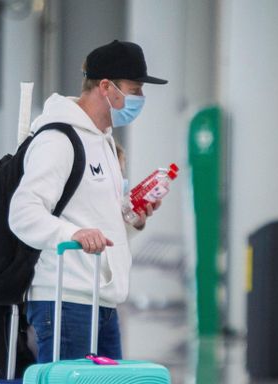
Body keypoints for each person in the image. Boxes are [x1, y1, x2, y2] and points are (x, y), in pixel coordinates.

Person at [9, 40, 167, 363]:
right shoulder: (59, 139)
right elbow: (22, 213)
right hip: (65, 300)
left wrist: (132, 219)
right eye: (134, 90)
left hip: (102, 300)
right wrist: (72, 234)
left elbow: (95, 219)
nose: (140, 99)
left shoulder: (104, 142)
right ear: (106, 87)